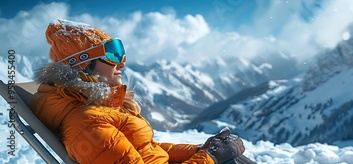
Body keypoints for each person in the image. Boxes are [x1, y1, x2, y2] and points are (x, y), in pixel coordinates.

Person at [30, 19, 245, 164]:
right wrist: (210, 158)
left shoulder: (98, 109)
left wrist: (200, 149)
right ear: (82, 64)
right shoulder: (88, 124)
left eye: (121, 53)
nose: (121, 63)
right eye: (113, 54)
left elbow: (147, 150)